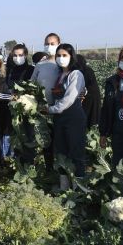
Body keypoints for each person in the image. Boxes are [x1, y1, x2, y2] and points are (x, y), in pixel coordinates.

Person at [40, 44, 86, 190]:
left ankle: (79, 190)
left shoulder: (76, 74)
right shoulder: (60, 75)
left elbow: (69, 99)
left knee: (75, 153)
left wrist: (50, 109)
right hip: (59, 119)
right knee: (61, 154)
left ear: (71, 57)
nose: (61, 58)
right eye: (59, 55)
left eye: (64, 55)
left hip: (74, 118)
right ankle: (64, 188)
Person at [30, 33, 62, 170]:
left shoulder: (63, 63)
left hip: (60, 108)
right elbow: (31, 84)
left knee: (60, 141)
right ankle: (49, 168)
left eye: (52, 44)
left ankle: (61, 169)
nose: (49, 46)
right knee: (46, 140)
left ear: (59, 44)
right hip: (43, 109)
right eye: (47, 43)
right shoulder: (40, 64)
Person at [76, 55, 101, 128]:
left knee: (89, 115)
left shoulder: (85, 71)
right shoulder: (87, 69)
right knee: (93, 115)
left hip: (89, 96)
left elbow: (84, 84)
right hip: (93, 95)